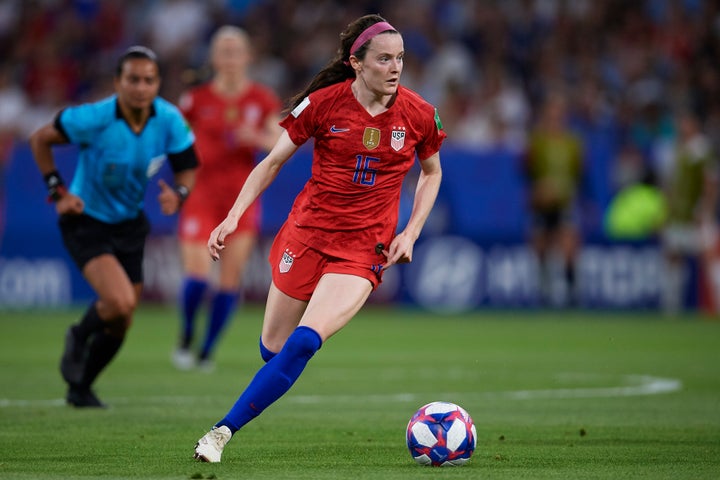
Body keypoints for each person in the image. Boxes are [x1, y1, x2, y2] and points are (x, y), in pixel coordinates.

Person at [193, 14, 445, 462]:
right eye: (384, 59)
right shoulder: (321, 105)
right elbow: (271, 163)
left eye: (400, 58)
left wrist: (410, 231)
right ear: (357, 63)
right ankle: (271, 374)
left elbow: (431, 171)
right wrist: (233, 217)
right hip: (306, 236)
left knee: (306, 342)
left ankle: (220, 432)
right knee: (273, 351)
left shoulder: (419, 114)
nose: (395, 68)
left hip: (363, 250)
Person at [29, 46, 199, 408]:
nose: (141, 87)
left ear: (157, 84)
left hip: (130, 225)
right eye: (133, 79)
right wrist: (58, 191)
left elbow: (188, 164)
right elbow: (40, 139)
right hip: (86, 219)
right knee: (119, 302)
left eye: (148, 80)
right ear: (117, 83)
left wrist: (180, 193)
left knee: (122, 320)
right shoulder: (93, 117)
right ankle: (78, 334)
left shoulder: (168, 119)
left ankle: (81, 387)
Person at [173, 26, 282, 372]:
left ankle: (206, 350)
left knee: (229, 280)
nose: (230, 57)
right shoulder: (196, 99)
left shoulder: (262, 99)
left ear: (248, 57)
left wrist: (258, 137)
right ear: (214, 58)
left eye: (236, 50)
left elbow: (280, 145)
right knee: (197, 275)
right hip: (202, 197)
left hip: (241, 201)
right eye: (223, 50)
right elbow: (173, 137)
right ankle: (187, 334)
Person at [524, 92, 584, 307]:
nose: (555, 119)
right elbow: (526, 170)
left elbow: (579, 173)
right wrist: (538, 190)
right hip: (542, 203)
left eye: (558, 114)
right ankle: (544, 291)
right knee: (541, 245)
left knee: (568, 245)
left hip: (565, 201)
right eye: (551, 114)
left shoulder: (572, 143)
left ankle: (571, 293)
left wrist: (565, 190)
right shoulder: (537, 142)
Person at [660, 109, 718, 314]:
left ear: (694, 124)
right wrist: (666, 213)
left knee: (709, 256)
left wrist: (705, 210)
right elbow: (672, 185)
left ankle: (717, 303)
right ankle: (671, 307)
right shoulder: (678, 149)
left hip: (695, 215)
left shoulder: (701, 149)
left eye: (686, 122)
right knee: (672, 256)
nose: (682, 126)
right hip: (678, 214)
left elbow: (710, 184)